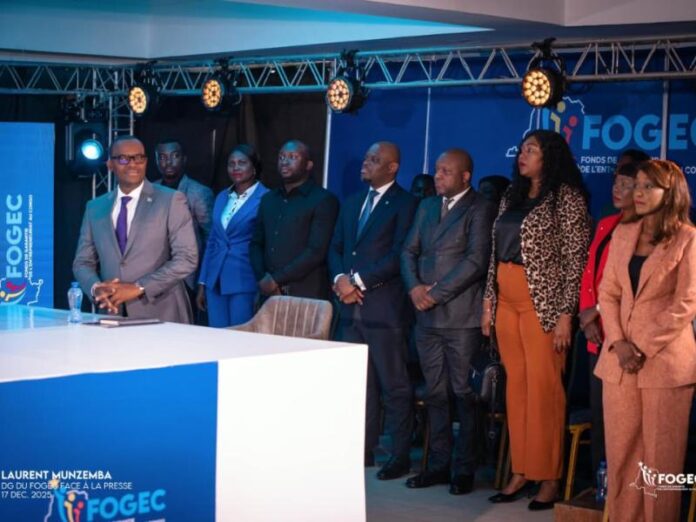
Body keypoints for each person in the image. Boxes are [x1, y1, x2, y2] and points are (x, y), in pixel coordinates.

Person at [482, 130, 591, 510]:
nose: (522, 155)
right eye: (522, 149)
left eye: (532, 150)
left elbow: (576, 261)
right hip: (506, 299)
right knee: (517, 389)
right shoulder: (511, 196)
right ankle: (522, 470)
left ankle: (548, 477)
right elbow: (494, 253)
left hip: (541, 304)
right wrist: (488, 303)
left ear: (550, 157)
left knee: (545, 390)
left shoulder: (566, 198)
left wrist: (565, 316)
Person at [595, 159, 696, 522]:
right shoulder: (623, 234)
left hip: (665, 364)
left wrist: (642, 348)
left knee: (661, 462)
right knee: (621, 455)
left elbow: (686, 302)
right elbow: (607, 293)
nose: (637, 192)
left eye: (647, 186)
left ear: (670, 193)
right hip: (619, 362)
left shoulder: (688, 238)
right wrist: (620, 344)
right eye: (636, 185)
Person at [401, 148, 496, 495]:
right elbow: (407, 251)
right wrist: (414, 289)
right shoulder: (427, 206)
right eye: (437, 170)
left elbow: (476, 261)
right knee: (435, 393)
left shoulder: (480, 207)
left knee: (462, 394)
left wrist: (435, 294)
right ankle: (438, 465)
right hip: (426, 317)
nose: (437, 176)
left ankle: (464, 468)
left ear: (465, 176)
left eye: (445, 171)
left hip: (460, 318)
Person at [329, 142, 418, 479]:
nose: (366, 163)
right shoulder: (352, 202)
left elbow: (399, 254)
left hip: (384, 309)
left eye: (375, 159)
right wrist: (340, 280)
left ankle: (399, 455)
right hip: (349, 309)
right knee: (357, 385)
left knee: (394, 386)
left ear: (393, 168)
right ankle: (361, 449)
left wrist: (357, 281)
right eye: (366, 157)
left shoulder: (407, 204)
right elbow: (336, 247)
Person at [73, 136, 198, 323]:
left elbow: (187, 258)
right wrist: (96, 288)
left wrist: (139, 287)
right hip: (113, 313)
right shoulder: (95, 208)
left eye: (139, 158)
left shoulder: (171, 200)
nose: (133, 164)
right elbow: (82, 262)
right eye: (124, 159)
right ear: (110, 164)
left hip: (162, 313)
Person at [577, 160, 641, 478]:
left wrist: (600, 311)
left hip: (623, 336)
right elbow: (590, 274)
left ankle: (626, 487)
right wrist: (587, 317)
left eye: (626, 184)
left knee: (624, 419)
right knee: (600, 414)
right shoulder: (606, 223)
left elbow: (631, 286)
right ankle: (602, 487)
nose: (617, 189)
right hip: (595, 334)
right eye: (616, 183)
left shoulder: (647, 231)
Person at [249, 140, 339, 300]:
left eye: (293, 157)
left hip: (305, 293)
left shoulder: (323, 200)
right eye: (281, 157)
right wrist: (262, 278)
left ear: (308, 165)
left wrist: (276, 279)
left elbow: (316, 251)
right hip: (267, 291)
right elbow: (256, 243)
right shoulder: (268, 199)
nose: (285, 161)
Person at [197, 145, 269, 327]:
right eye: (231, 163)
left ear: (254, 167)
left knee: (240, 338)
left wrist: (261, 286)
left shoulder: (267, 198)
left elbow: (267, 244)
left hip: (244, 280)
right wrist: (203, 282)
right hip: (215, 281)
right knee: (216, 337)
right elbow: (213, 241)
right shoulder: (222, 196)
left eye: (242, 163)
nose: (236, 167)